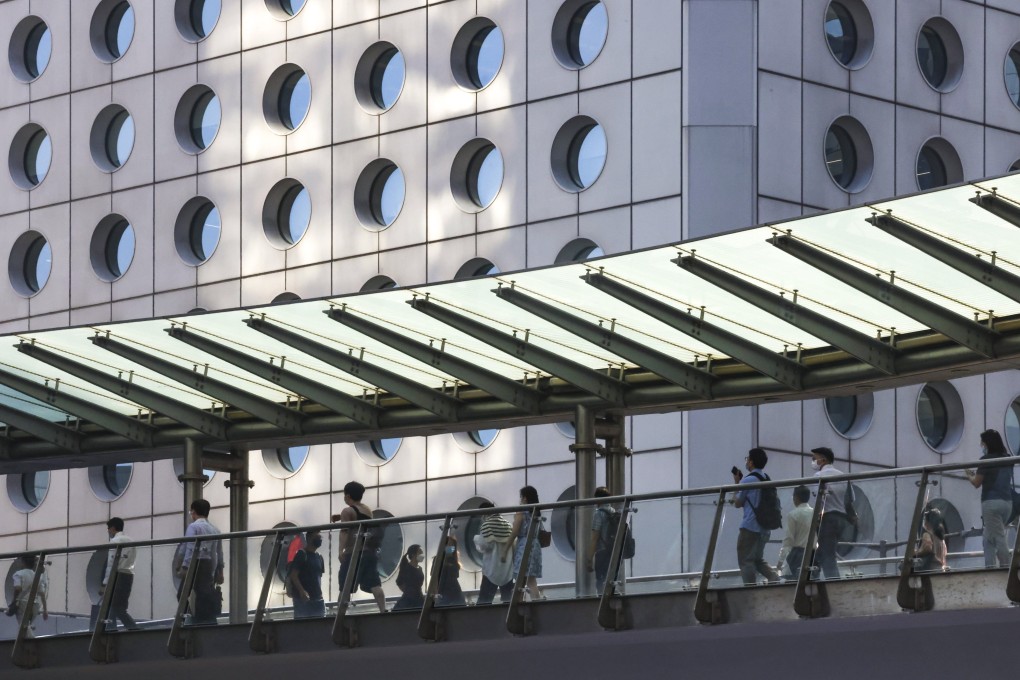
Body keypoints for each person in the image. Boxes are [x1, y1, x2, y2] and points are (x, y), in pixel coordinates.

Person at [331, 481, 386, 613]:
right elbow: (357, 517)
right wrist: (340, 516)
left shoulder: (347, 511)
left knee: (345, 586)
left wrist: (340, 551)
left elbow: (344, 531)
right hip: (369, 553)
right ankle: (383, 610)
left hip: (353, 553)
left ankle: (340, 614)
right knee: (374, 584)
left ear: (348, 496)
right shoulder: (367, 510)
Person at [731, 448, 780, 585]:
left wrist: (736, 484)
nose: (747, 462)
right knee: (757, 560)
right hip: (765, 528)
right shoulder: (766, 478)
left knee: (745, 560)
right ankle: (774, 578)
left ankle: (750, 589)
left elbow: (737, 503)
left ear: (751, 462)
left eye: (747, 459)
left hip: (750, 527)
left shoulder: (748, 480)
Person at [966, 429, 1013, 567]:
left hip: (991, 503)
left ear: (987, 444)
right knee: (988, 538)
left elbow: (976, 483)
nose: (982, 446)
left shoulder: (985, 460)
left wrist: (969, 475)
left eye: (982, 443)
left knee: (998, 537)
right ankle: (989, 566)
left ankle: (1006, 569)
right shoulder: (1008, 459)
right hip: (1007, 503)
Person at [178, 498, 224, 625]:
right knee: (203, 595)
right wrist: (219, 571)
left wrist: (185, 566)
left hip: (195, 563)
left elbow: (190, 548)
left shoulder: (193, 527)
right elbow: (218, 552)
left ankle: (190, 619)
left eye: (191, 512)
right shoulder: (215, 529)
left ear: (194, 512)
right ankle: (206, 621)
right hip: (208, 565)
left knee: (182, 595)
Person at [810, 446, 848, 580]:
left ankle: (833, 583)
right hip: (842, 519)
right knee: (823, 552)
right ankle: (813, 576)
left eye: (814, 458)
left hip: (828, 518)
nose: (813, 461)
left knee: (827, 555)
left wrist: (815, 520)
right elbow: (850, 499)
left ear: (823, 460)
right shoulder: (843, 475)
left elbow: (817, 500)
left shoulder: (819, 476)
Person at [504, 485, 543, 600]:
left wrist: (505, 549)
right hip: (535, 544)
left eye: (521, 497)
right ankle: (535, 602)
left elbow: (515, 531)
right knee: (531, 579)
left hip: (524, 545)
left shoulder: (521, 511)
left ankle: (518, 605)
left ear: (525, 498)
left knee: (522, 579)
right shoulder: (536, 512)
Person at [473, 502, 514, 605]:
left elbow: (485, 546)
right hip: (507, 570)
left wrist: (476, 538)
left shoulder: (487, 525)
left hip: (491, 569)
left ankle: (481, 620)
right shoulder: (507, 524)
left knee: (484, 601)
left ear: (484, 513)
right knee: (508, 602)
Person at [102, 517, 139, 630]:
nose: (108, 531)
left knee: (115, 607)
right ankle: (111, 629)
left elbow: (111, 564)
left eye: (108, 528)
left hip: (117, 576)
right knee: (118, 606)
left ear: (113, 528)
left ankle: (132, 628)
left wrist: (105, 583)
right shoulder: (131, 541)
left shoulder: (114, 542)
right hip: (129, 575)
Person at [776, 485, 813, 579]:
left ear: (796, 497)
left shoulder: (793, 515)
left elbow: (788, 540)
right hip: (814, 554)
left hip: (798, 555)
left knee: (793, 581)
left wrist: (780, 561)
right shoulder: (815, 513)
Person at [585, 487, 617, 592]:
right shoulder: (614, 512)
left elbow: (594, 538)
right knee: (612, 581)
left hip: (602, 552)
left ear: (597, 499)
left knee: (601, 582)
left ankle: (602, 603)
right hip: (614, 552)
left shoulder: (598, 514)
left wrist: (589, 559)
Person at [288, 529, 325, 618]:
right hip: (303, 601)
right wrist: (301, 591)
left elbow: (319, 577)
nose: (320, 540)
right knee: (303, 628)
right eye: (317, 537)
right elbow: (293, 575)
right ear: (309, 539)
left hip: (317, 600)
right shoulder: (302, 554)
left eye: (320, 537)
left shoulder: (319, 557)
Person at [10, 555, 47, 637]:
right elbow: (42, 594)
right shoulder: (37, 576)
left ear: (23, 562)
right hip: (35, 604)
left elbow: (17, 588)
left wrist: (14, 601)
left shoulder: (18, 574)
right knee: (27, 625)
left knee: (23, 626)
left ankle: (32, 643)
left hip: (23, 603)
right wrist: (45, 610)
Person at [914, 506, 947, 572]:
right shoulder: (941, 538)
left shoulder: (927, 534)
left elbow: (927, 548)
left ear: (928, 522)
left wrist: (915, 552)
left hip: (930, 570)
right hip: (940, 569)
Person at [435, 536, 466, 607]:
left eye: (452, 545)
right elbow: (434, 577)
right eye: (449, 545)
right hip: (443, 592)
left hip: (456, 592)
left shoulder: (453, 559)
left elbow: (456, 576)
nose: (451, 547)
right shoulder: (437, 560)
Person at [393, 545, 425, 611]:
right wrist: (408, 591)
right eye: (420, 553)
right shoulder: (407, 568)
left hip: (419, 598)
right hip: (409, 600)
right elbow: (399, 582)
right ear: (413, 555)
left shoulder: (420, 568)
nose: (422, 555)